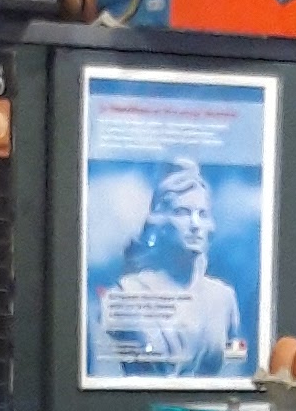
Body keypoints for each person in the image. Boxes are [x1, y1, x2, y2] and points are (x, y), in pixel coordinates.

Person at [94, 158, 246, 375]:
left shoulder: (223, 297)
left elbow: (234, 367)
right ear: (161, 223)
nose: (195, 225)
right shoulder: (125, 293)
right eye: (182, 212)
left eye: (202, 214)